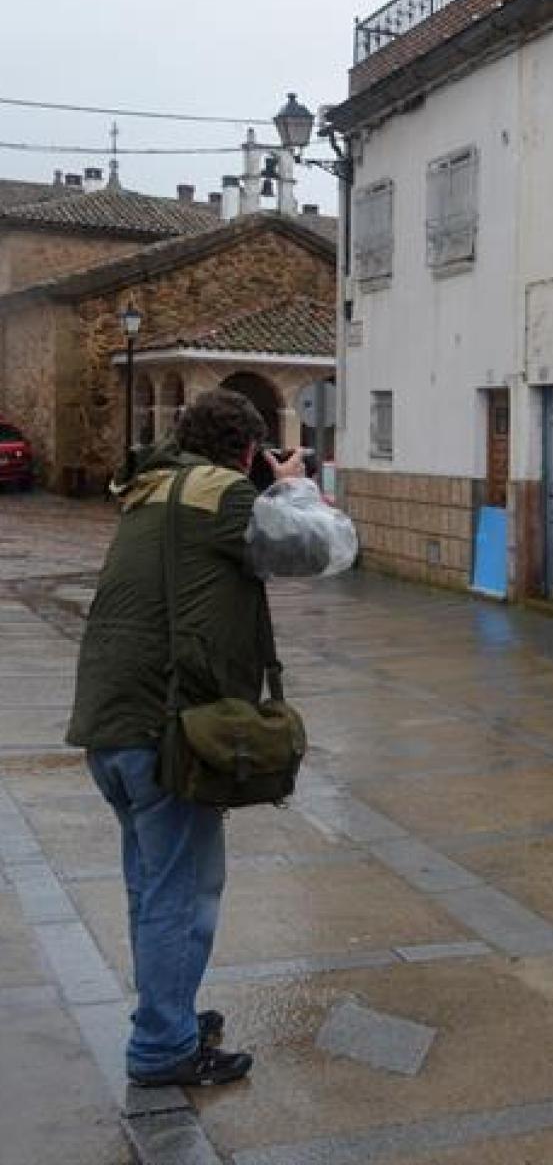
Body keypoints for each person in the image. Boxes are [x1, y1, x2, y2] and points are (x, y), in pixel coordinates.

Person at [66, 388, 321, 1088]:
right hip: (165, 733)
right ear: (248, 451)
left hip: (110, 726)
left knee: (153, 885)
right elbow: (320, 550)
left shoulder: (152, 491)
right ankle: (162, 1050)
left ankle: (167, 1017)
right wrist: (293, 489)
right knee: (183, 892)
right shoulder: (221, 497)